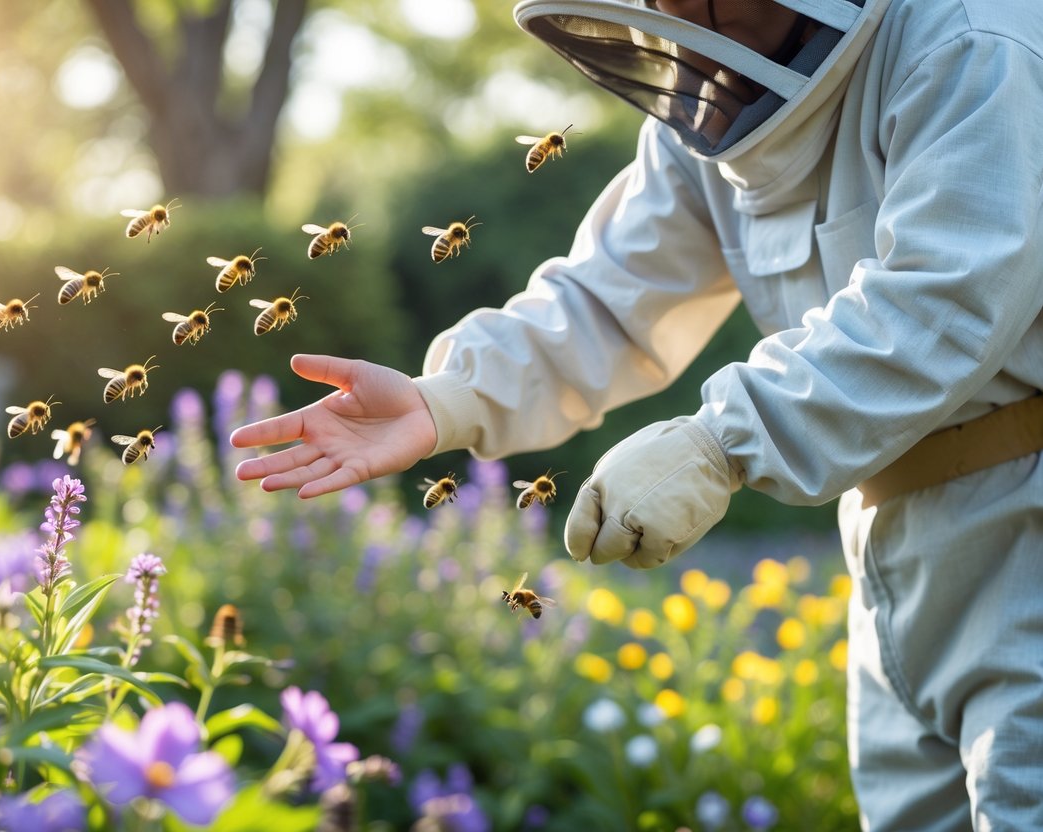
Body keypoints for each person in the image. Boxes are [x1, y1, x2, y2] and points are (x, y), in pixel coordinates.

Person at [231, 0, 1043, 827]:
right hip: (889, 542)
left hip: (1026, 531)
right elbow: (607, 302)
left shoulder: (974, 39)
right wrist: (445, 399)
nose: (676, 9)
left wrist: (719, 442)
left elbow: (939, 300)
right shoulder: (709, 112)